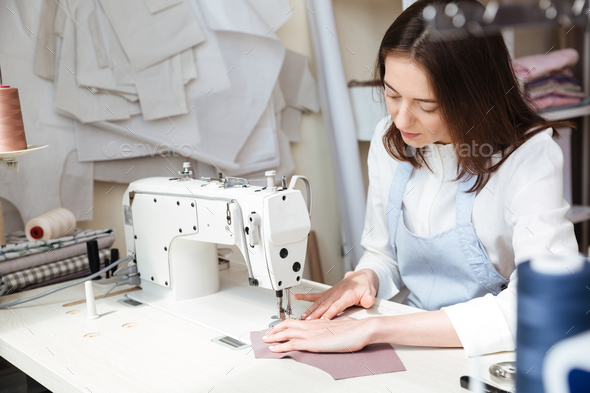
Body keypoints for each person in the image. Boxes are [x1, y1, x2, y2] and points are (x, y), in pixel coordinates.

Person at [263, 0, 579, 356]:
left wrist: (375, 328)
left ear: (473, 96)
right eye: (392, 95)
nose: (401, 120)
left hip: (496, 351)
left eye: (426, 106)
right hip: (413, 344)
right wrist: (365, 278)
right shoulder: (390, 141)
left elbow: (541, 304)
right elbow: (383, 255)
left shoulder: (529, 156)